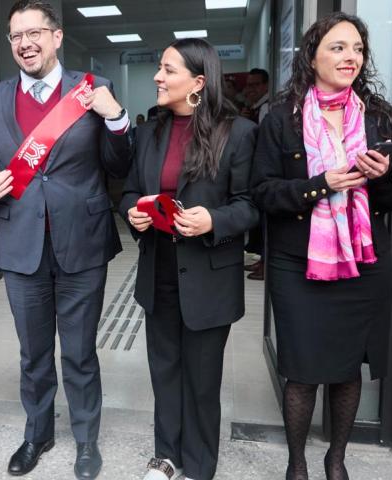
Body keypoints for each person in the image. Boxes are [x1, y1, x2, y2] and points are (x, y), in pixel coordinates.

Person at [250, 13, 392, 480]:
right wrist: (319, 184)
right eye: (338, 47)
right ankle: (297, 464)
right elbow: (262, 192)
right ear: (313, 55)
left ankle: (336, 461)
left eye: (358, 49)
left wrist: (384, 178)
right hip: (298, 263)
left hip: (364, 264)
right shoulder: (281, 119)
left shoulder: (381, 117)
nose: (350, 57)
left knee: (346, 369)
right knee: (301, 370)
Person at [0, 1, 130, 478]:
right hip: (21, 245)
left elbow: (120, 166)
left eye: (35, 32)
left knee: (80, 352)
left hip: (82, 242)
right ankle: (37, 434)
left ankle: (85, 441)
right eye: (16, 36)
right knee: (33, 352)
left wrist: (118, 118)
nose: (26, 43)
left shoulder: (92, 90)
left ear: (57, 37)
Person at [121, 39, 258, 480]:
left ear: (198, 82)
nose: (157, 77)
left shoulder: (237, 133)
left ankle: (199, 467)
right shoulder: (149, 132)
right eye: (159, 69)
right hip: (158, 269)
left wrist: (212, 220)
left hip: (208, 276)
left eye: (167, 69)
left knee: (202, 381)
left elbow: (250, 205)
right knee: (164, 371)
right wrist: (133, 213)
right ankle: (166, 456)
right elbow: (128, 191)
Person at [241, 68, 272, 280]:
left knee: (264, 221)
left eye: (255, 85)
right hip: (255, 171)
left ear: (265, 85)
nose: (250, 89)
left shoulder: (267, 108)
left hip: (265, 172)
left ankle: (266, 263)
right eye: (248, 85)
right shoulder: (255, 107)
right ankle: (262, 260)